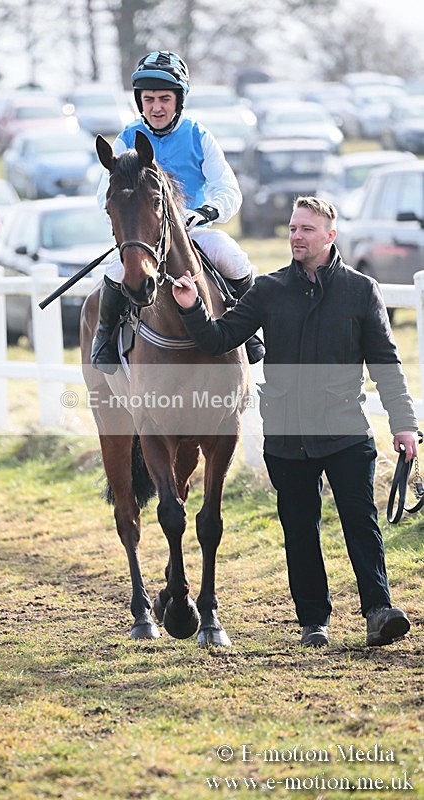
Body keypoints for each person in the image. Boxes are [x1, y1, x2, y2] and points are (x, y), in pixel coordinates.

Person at [171, 195, 419, 648]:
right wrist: (192, 308)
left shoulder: (361, 290)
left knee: (360, 521)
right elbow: (221, 338)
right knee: (300, 530)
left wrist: (404, 424)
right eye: (292, 228)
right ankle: (313, 622)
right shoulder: (268, 290)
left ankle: (379, 611)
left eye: (306, 229)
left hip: (346, 429)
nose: (296, 236)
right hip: (288, 435)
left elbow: (386, 363)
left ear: (330, 236)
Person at [91, 50, 260, 373]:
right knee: (114, 271)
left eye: (164, 99)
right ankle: (104, 338)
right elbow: (105, 196)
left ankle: (250, 331)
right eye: (149, 99)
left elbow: (228, 190)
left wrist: (206, 212)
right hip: (145, 236)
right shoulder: (126, 139)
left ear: (178, 100)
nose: (156, 107)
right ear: (140, 102)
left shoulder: (199, 136)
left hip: (191, 231)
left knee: (231, 254)